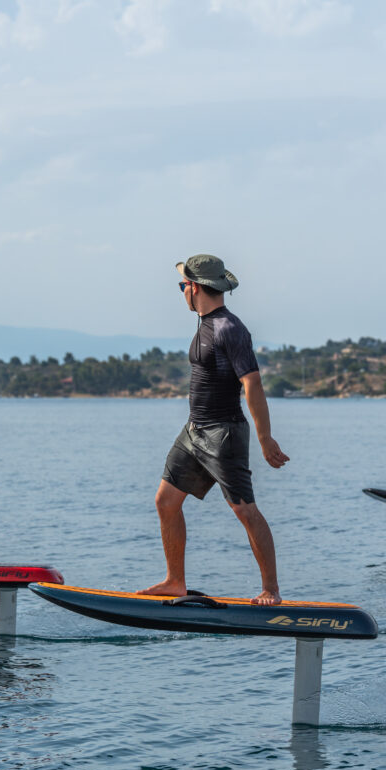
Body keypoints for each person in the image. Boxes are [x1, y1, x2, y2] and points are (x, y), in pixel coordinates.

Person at [138, 254, 289, 606]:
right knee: (165, 500)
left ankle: (271, 589)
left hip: (224, 433)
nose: (181, 293)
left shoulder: (229, 328)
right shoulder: (204, 323)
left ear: (194, 287)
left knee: (244, 509)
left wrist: (265, 439)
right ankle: (175, 580)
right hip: (194, 431)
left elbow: (252, 384)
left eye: (182, 286)